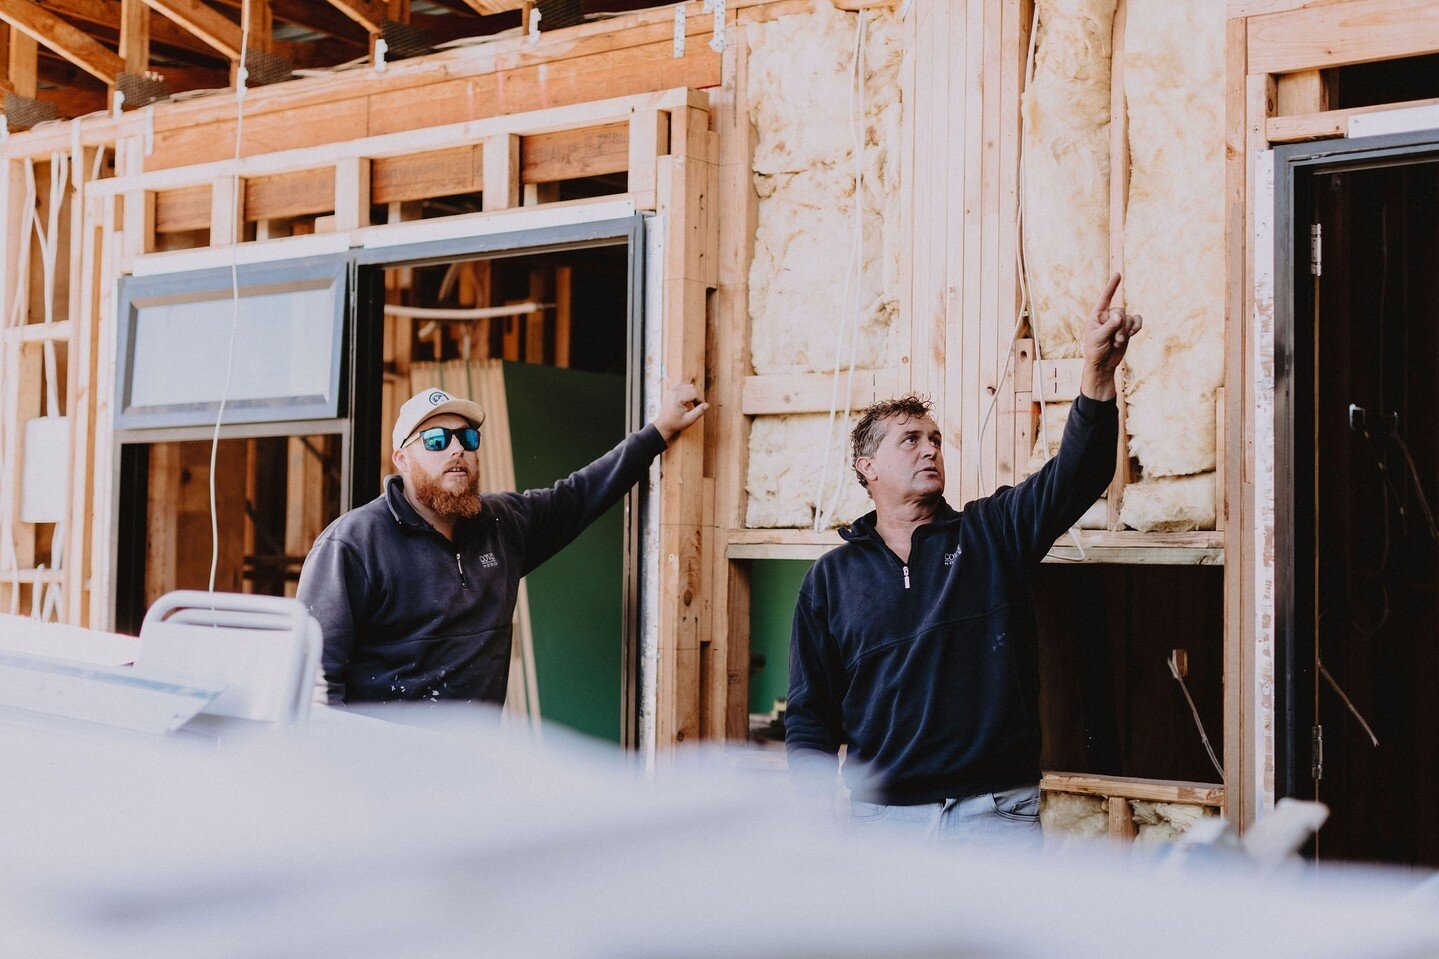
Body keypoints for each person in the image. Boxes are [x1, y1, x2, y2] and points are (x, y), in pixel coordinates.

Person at [784, 274, 1141, 843]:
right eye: (910, 439)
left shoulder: (991, 533)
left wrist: (1097, 375)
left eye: (935, 439)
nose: (930, 448)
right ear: (867, 467)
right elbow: (810, 716)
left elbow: (1078, 475)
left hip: (996, 814)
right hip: (881, 825)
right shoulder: (831, 579)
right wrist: (808, 815)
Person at [297, 382, 708, 706]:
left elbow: (579, 495)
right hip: (383, 777)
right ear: (401, 459)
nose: (457, 449)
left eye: (467, 438)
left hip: (472, 769)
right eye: (437, 440)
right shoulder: (352, 545)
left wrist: (660, 431)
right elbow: (314, 679)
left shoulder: (500, 523)